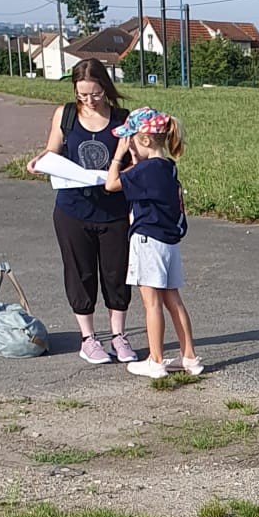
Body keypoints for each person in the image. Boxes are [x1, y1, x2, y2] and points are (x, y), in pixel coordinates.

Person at [26, 59, 137, 363]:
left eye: (96, 94)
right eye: (83, 94)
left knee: (116, 273)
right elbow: (53, 150)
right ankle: (88, 338)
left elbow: (134, 160)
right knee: (80, 272)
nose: (89, 100)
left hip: (113, 209)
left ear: (106, 87)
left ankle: (118, 336)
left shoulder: (122, 119)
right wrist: (39, 162)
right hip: (72, 209)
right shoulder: (66, 114)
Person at [101, 107, 203, 379]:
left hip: (148, 241)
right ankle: (190, 356)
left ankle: (155, 360)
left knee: (152, 304)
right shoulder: (167, 166)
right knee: (173, 300)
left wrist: (118, 156)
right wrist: (135, 158)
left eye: (130, 139)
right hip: (169, 243)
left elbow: (111, 184)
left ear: (144, 140)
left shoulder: (144, 170)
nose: (128, 144)